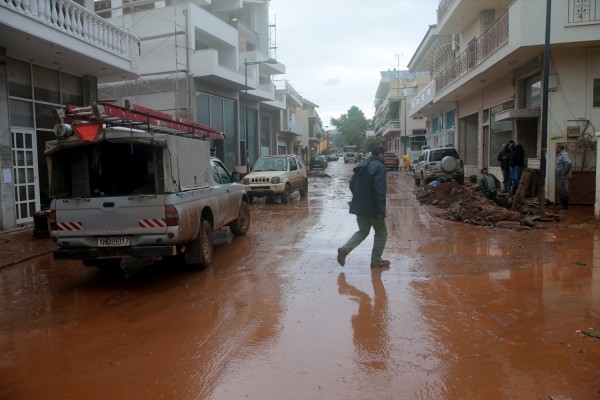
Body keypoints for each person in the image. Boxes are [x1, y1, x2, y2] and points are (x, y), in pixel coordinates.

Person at [337, 145, 389, 269]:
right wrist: (381, 210)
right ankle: (376, 260)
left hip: (360, 206)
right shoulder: (380, 167)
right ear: (381, 155)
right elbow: (379, 190)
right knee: (381, 233)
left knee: (363, 231)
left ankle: (345, 249)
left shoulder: (362, 165)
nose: (385, 157)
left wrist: (359, 198)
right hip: (373, 208)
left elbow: (352, 184)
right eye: (385, 155)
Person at [555, 144, 572, 210]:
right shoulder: (560, 154)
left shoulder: (564, 155)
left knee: (564, 190)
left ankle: (565, 206)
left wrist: (564, 172)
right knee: (561, 191)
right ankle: (562, 205)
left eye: (556, 147)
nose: (555, 149)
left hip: (564, 177)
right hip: (560, 177)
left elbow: (569, 163)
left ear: (559, 148)